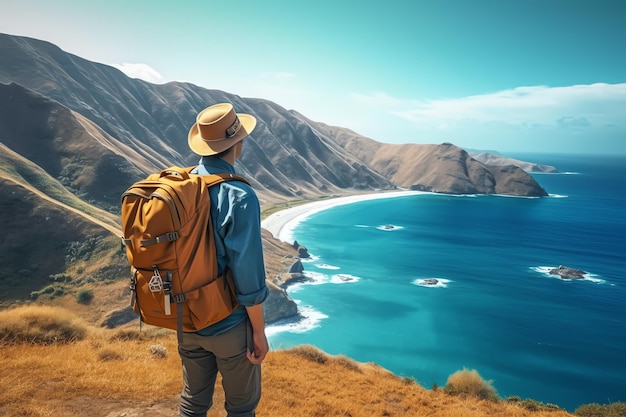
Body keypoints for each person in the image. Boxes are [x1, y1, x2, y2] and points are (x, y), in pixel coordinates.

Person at [179, 102, 269, 417]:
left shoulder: (181, 186)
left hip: (185, 317)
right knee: (241, 409)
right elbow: (248, 273)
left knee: (193, 403)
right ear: (237, 143)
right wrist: (258, 331)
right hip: (228, 322)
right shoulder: (238, 195)